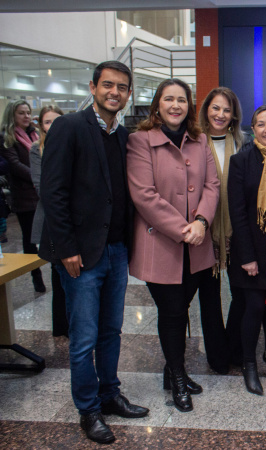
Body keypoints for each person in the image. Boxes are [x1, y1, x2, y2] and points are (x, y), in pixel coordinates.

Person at [39, 61, 149, 445]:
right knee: (83, 337)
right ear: (93, 87)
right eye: (108, 85)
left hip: (117, 250)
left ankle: (109, 394)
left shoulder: (124, 136)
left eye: (122, 87)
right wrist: (66, 248)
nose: (114, 92)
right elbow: (52, 193)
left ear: (129, 93)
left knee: (111, 332)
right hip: (81, 256)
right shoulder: (69, 127)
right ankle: (88, 410)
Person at [127, 78, 219, 413]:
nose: (176, 105)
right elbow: (144, 196)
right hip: (161, 244)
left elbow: (212, 185)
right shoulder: (139, 141)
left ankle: (172, 369)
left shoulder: (200, 139)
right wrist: (184, 228)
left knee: (183, 307)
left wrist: (202, 223)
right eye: (169, 99)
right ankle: (178, 377)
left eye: (182, 100)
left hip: (197, 244)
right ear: (158, 105)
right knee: (172, 311)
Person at [227, 104, 266, 395]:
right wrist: (248, 257)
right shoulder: (241, 162)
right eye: (261, 124)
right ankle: (249, 364)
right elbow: (237, 213)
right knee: (253, 306)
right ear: (253, 130)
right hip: (251, 249)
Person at [196, 86, 251, 374]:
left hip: (235, 232)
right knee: (209, 296)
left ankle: (235, 348)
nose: (220, 114)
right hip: (203, 232)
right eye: (215, 108)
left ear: (234, 115)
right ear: (207, 110)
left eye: (226, 110)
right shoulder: (193, 143)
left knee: (241, 294)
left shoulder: (243, 143)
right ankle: (217, 355)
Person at [30, 105, 68, 337]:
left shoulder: (70, 144)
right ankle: (61, 326)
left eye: (56, 121)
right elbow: (41, 186)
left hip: (69, 218)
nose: (52, 126)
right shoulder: (37, 149)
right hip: (50, 220)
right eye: (47, 122)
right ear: (41, 125)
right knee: (58, 273)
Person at [1, 100, 45, 292]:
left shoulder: (36, 134)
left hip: (41, 193)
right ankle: (36, 277)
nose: (26, 116)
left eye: (28, 112)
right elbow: (15, 165)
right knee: (29, 239)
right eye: (21, 113)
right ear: (12, 115)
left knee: (48, 236)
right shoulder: (8, 138)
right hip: (25, 196)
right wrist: (39, 176)